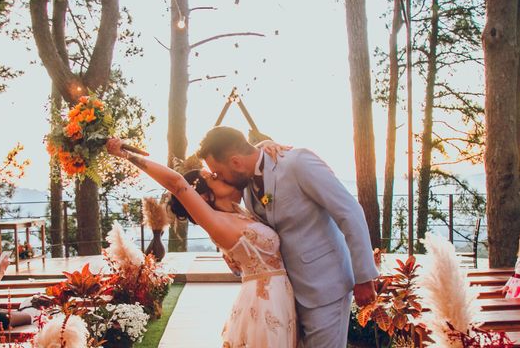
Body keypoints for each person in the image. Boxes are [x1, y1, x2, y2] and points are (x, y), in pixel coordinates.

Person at [106, 138, 299, 347]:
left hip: (276, 297)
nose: (222, 176)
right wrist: (126, 155)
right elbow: (178, 184)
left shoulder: (241, 211)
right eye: (215, 177)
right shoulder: (215, 223)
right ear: (204, 197)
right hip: (265, 304)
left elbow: (246, 162)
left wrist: (264, 145)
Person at [197, 126, 379, 348]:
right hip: (285, 298)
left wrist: (364, 278)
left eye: (218, 172)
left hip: (326, 288)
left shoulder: (297, 163)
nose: (219, 178)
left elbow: (349, 213)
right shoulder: (245, 188)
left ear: (235, 162)